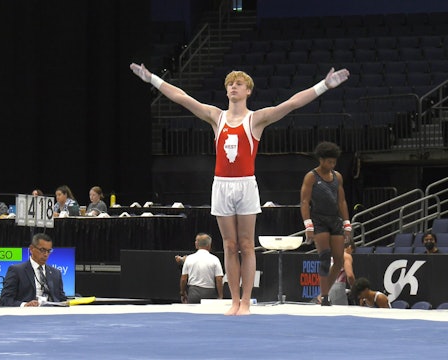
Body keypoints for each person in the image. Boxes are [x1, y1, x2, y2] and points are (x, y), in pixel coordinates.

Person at [129, 61, 349, 315]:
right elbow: (182, 98)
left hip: (245, 185)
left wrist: (324, 85)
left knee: (246, 244)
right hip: (221, 185)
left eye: (239, 83)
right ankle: (234, 301)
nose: (234, 86)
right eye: (230, 83)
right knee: (229, 245)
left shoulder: (256, 119)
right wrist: (152, 79)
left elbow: (291, 104)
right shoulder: (216, 117)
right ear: (226, 91)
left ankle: (246, 301)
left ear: (248, 91)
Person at [300, 141, 352, 306]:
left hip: (334, 220)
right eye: (329, 161)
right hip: (319, 220)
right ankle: (325, 297)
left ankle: (323, 294)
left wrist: (347, 224)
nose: (332, 164)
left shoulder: (337, 177)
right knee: (324, 257)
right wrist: (308, 225)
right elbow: (304, 201)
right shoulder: (311, 176)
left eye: (334, 162)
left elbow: (342, 201)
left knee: (338, 261)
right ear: (321, 160)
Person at [0, 233, 67, 307]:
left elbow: (61, 299)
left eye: (49, 251)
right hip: (28, 314)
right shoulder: (17, 270)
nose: (46, 254)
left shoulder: (56, 273)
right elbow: (5, 300)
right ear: (31, 249)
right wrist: (25, 305)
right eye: (42, 250)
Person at [179, 233, 224, 304]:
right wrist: (220, 296)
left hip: (193, 293)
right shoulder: (215, 259)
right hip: (209, 293)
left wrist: (183, 293)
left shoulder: (189, 259)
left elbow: (183, 278)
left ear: (196, 245)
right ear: (209, 245)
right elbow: (219, 279)